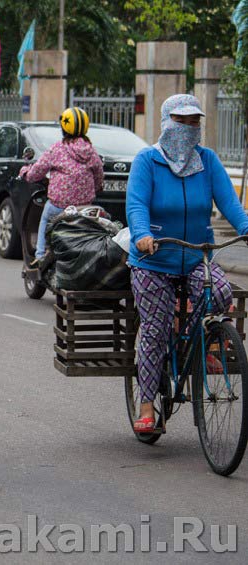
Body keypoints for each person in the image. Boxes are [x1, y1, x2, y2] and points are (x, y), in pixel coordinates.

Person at [126, 94, 248, 433]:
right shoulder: (147, 161)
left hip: (196, 255)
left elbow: (230, 204)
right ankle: (148, 405)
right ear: (167, 123)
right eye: (182, 121)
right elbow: (136, 205)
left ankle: (193, 345)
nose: (189, 128)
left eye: (195, 121)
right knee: (155, 328)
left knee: (221, 292)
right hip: (153, 259)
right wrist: (141, 234)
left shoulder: (207, 161)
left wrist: (246, 228)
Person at [18, 107, 104, 264]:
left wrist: (25, 172)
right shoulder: (91, 151)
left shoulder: (57, 149)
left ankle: (40, 256)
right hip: (84, 209)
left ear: (64, 128)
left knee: (45, 218)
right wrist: (97, 188)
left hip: (59, 206)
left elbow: (36, 172)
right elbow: (99, 176)